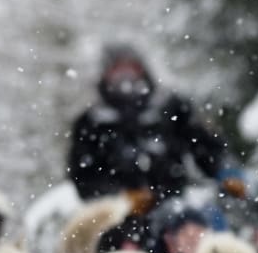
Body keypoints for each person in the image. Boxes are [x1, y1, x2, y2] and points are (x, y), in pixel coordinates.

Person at [67, 44, 247, 212]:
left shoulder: (171, 107)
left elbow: (207, 147)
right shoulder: (91, 123)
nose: (125, 78)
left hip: (178, 206)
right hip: (120, 218)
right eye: (118, 71)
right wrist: (122, 197)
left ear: (142, 70)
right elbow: (84, 180)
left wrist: (226, 172)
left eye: (130, 69)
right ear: (105, 75)